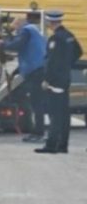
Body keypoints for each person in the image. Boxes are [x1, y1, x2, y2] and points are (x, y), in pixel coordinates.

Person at [35, 10, 82, 154]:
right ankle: (62, 145)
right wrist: (67, 66)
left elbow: (52, 62)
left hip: (55, 81)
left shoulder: (55, 39)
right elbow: (78, 52)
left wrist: (47, 80)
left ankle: (51, 145)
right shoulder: (69, 36)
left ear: (50, 22)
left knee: (55, 114)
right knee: (64, 113)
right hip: (65, 79)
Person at [0, 12, 47, 142]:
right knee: (36, 103)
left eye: (15, 26)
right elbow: (30, 51)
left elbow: (17, 45)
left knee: (36, 103)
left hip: (36, 71)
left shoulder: (26, 30)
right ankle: (37, 132)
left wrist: (1, 44)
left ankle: (38, 133)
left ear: (18, 23)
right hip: (38, 69)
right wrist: (16, 72)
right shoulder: (34, 30)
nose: (15, 30)